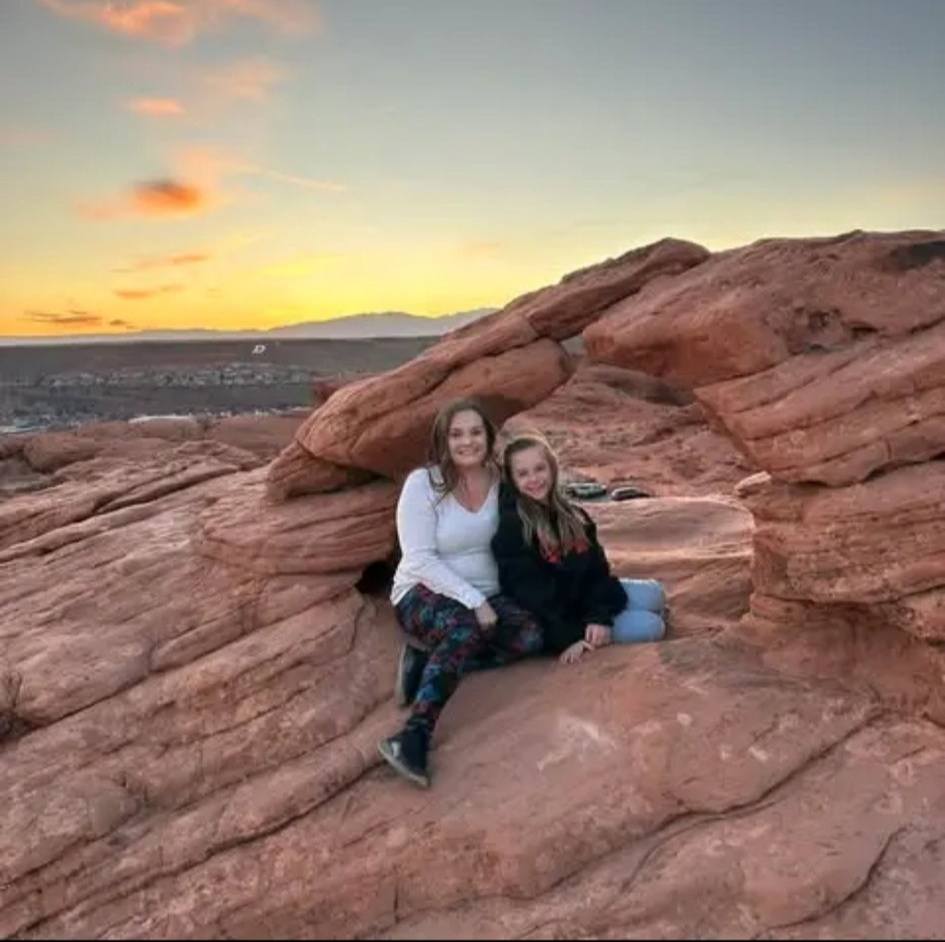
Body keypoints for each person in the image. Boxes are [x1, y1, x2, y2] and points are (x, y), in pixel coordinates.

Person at [378, 398, 544, 788]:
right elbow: (418, 559)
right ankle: (411, 737)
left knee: (532, 635)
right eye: (456, 434)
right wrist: (475, 601)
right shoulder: (424, 484)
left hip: (487, 592)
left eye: (475, 432)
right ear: (443, 440)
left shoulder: (502, 480)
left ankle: (425, 664)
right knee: (465, 630)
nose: (467, 441)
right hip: (421, 591)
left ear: (488, 437)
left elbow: (534, 522)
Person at [493, 433, 666, 665]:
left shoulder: (572, 514)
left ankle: (618, 618)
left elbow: (598, 570)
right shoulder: (513, 526)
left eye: (539, 469)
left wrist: (600, 615)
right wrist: (569, 638)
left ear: (552, 469)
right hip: (561, 618)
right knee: (653, 626)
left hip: (586, 599)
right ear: (513, 480)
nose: (534, 479)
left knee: (655, 593)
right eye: (523, 474)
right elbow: (533, 596)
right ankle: (624, 623)